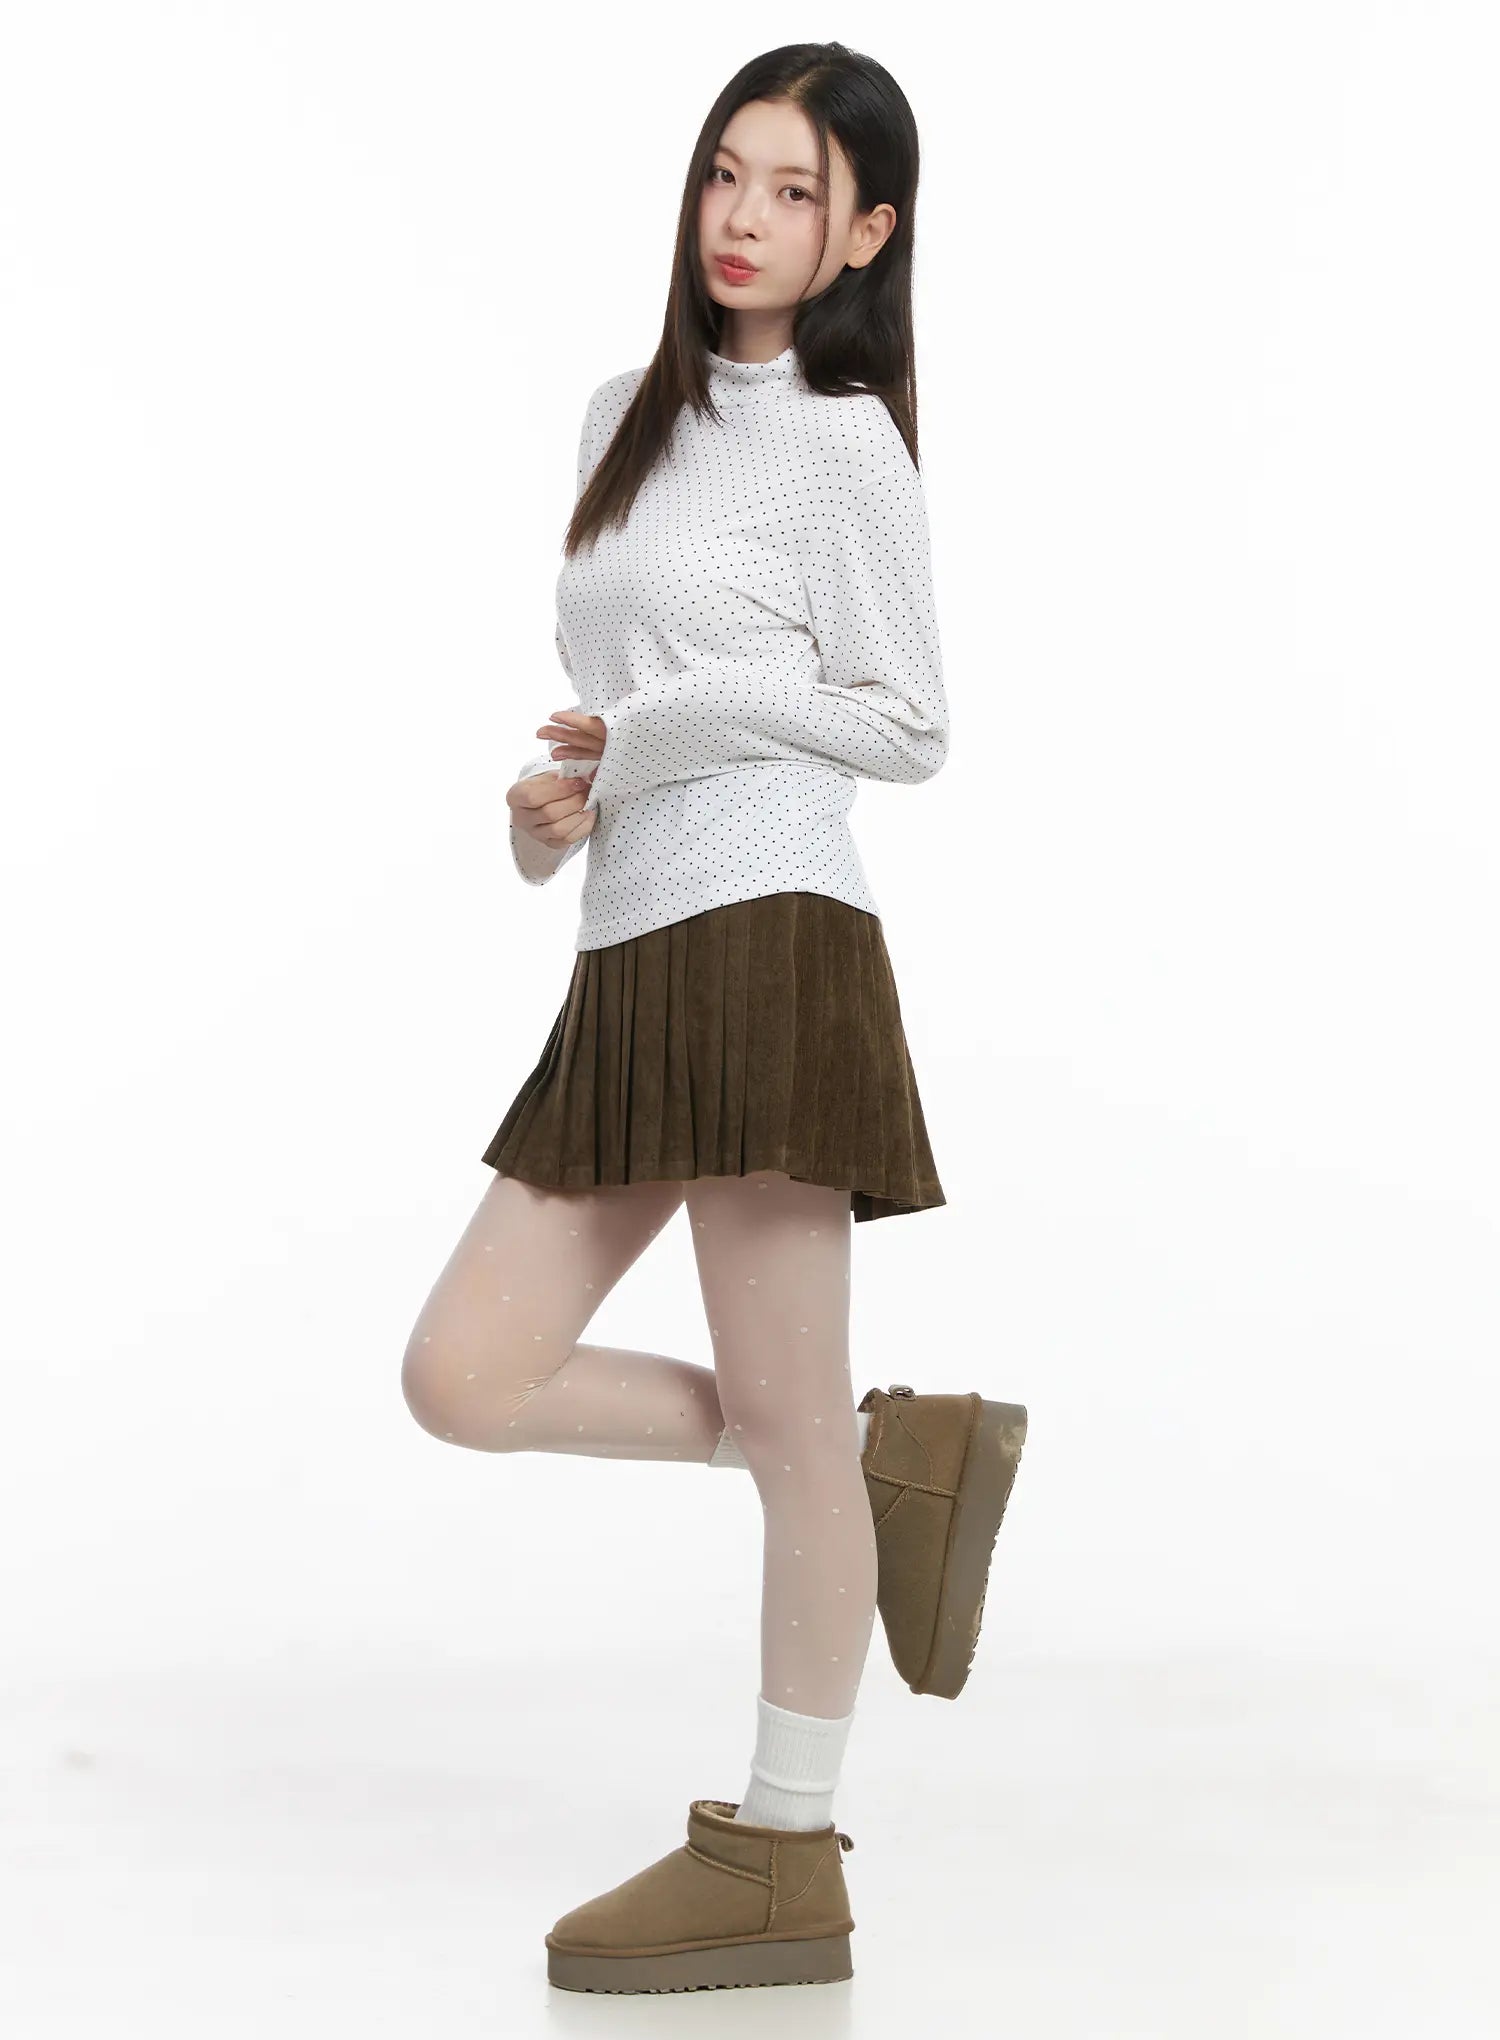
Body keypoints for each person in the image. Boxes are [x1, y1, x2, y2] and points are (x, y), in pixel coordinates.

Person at [401, 40, 1028, 1994]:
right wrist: (558, 812)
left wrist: (662, 726)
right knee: (465, 1377)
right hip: (633, 948)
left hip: (773, 939)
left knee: (778, 1421)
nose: (744, 220)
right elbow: (630, 703)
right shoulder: (623, 416)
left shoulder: (844, 446)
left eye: (794, 191)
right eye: (724, 175)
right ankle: (874, 1451)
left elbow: (908, 725)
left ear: (867, 235)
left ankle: (783, 1850)